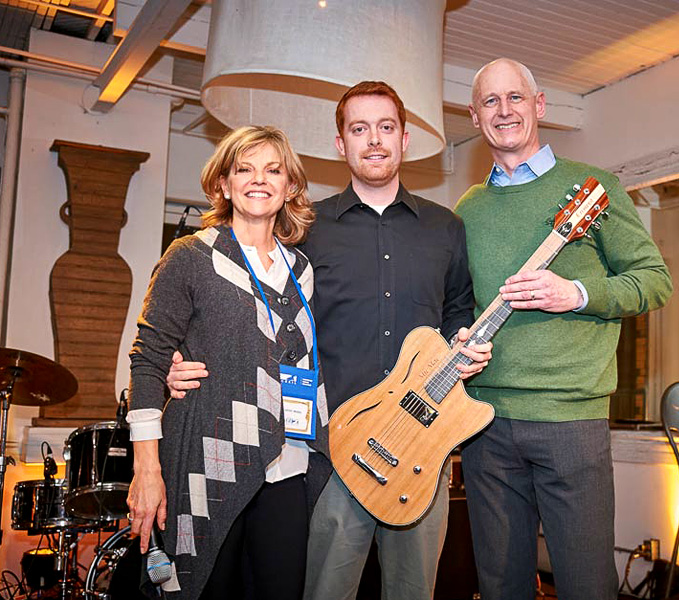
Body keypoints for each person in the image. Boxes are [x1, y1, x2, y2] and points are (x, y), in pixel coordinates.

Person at [165, 81, 493, 600]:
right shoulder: (306, 231)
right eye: (359, 129)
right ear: (341, 144)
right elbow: (251, 309)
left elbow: (457, 314)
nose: (374, 140)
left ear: (405, 139)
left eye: (386, 128)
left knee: (414, 591)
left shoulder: (445, 228)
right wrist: (177, 362)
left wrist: (465, 347)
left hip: (422, 448)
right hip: (333, 451)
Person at [454, 58, 673, 600]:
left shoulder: (594, 186)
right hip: (483, 424)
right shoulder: (467, 209)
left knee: (586, 584)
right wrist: (457, 337)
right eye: (490, 101)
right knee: (500, 585)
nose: (504, 111)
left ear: (540, 105)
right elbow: (462, 306)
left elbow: (655, 281)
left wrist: (575, 294)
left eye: (515, 98)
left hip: (570, 421)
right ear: (475, 117)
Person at [127, 126, 330, 600]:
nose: (259, 180)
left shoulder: (302, 269)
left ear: (290, 187)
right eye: (244, 169)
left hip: (286, 466)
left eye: (273, 170)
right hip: (208, 460)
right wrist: (147, 470)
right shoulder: (191, 256)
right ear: (223, 184)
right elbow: (148, 360)